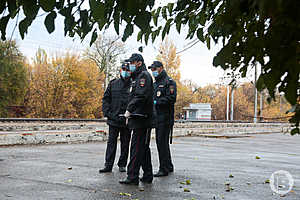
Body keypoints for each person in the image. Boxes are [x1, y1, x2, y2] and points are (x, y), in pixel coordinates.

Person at [119, 53, 154, 185]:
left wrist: (129, 110)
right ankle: (147, 174)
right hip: (139, 117)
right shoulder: (137, 76)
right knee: (143, 148)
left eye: (132, 63)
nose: (130, 65)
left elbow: (140, 96)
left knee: (136, 148)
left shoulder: (143, 76)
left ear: (138, 63)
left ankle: (132, 176)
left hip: (142, 118)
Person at [99, 63, 131, 173]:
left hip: (127, 120)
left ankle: (122, 164)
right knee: (111, 143)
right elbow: (106, 100)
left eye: (127, 69)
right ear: (120, 70)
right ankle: (108, 165)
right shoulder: (113, 83)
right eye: (124, 69)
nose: (125, 71)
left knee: (125, 143)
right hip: (113, 119)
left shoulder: (133, 84)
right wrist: (108, 113)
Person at [148, 61, 177, 177]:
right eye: (152, 69)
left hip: (165, 117)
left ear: (161, 68)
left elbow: (172, 98)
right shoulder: (155, 84)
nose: (153, 71)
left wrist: (157, 102)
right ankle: (168, 166)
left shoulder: (169, 82)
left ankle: (163, 168)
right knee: (162, 143)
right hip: (157, 117)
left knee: (162, 143)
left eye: (154, 69)